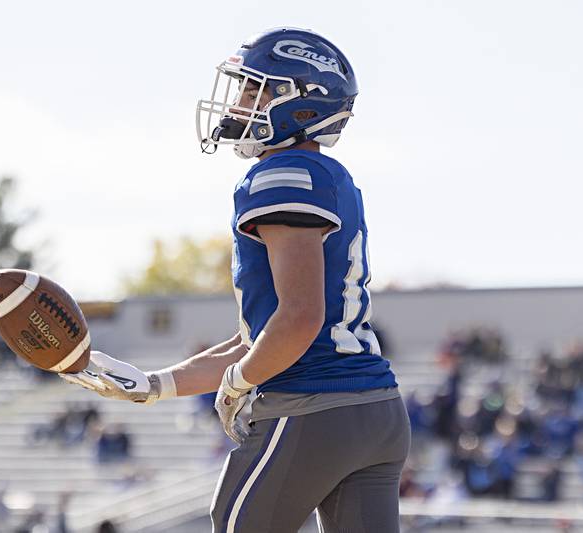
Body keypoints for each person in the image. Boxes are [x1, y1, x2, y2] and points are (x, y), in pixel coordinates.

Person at [60, 27, 409, 532]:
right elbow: (260, 337)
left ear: (299, 105)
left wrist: (235, 385)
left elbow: (299, 319)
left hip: (311, 408)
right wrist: (155, 385)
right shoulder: (329, 175)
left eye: (253, 89)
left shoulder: (279, 175)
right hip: (377, 413)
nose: (240, 102)